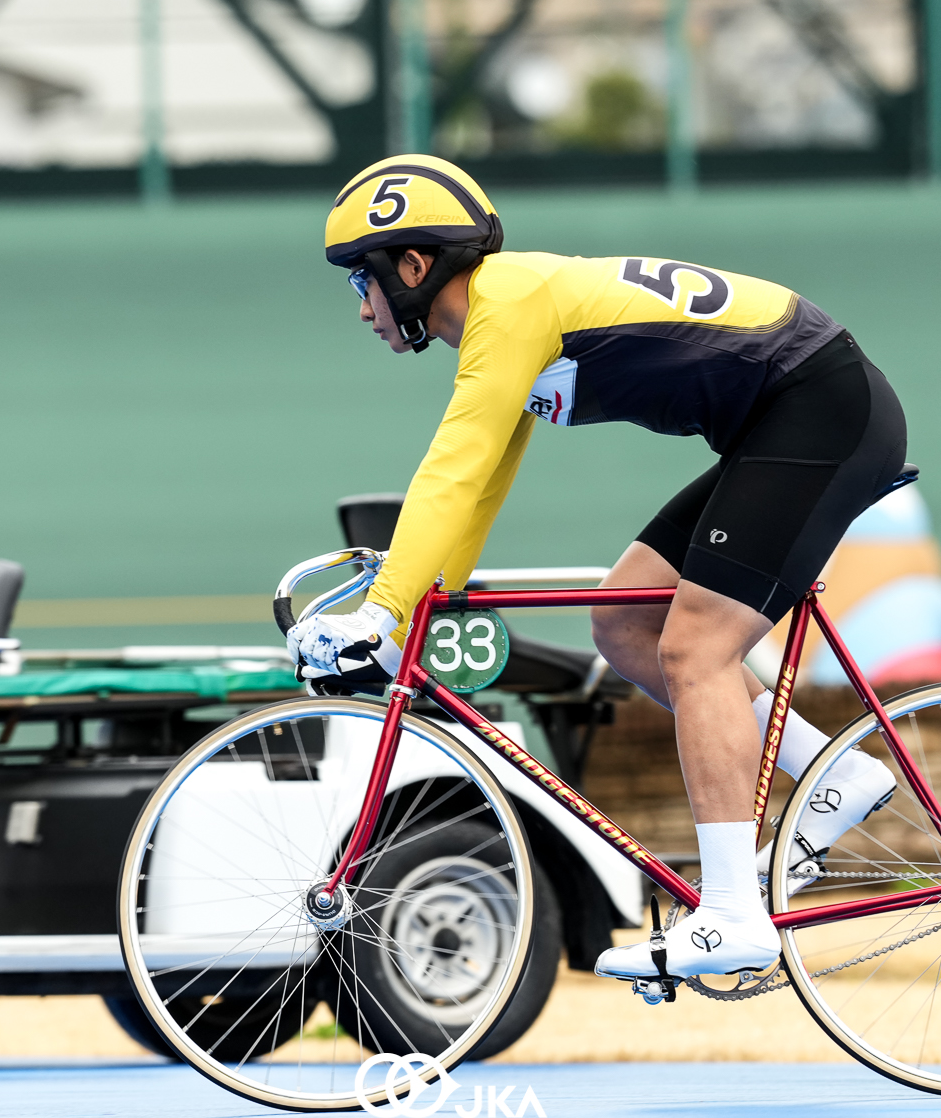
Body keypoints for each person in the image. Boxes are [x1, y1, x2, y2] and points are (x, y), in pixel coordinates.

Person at [287, 155, 907, 981]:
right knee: (623, 619)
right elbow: (483, 477)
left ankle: (732, 914)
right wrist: (429, 593)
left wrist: (384, 605)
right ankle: (838, 774)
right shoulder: (502, 317)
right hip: (789, 417)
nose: (361, 308)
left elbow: (455, 463)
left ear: (412, 265)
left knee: (695, 650)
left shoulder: (507, 303)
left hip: (819, 410)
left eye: (359, 281)